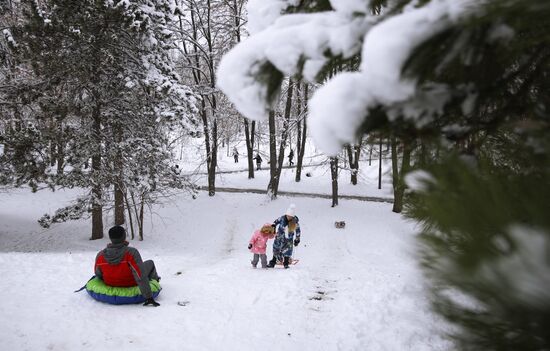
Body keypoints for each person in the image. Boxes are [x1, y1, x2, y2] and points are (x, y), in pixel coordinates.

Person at [94, 226, 161, 307]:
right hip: (131, 282)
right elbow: (140, 275)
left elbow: (98, 274)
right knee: (150, 263)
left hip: (110, 282)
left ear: (110, 238)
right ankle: (155, 281)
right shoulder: (131, 252)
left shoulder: (100, 255)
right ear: (124, 237)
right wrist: (149, 297)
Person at [267, 204, 301, 269]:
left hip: (288, 239)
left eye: (290, 216)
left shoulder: (295, 222)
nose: (289, 217)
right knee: (276, 249)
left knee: (287, 251)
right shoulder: (282, 218)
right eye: (288, 215)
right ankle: (273, 262)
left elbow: (298, 230)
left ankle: (286, 263)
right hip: (279, 237)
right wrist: (273, 228)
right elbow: (275, 222)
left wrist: (297, 239)